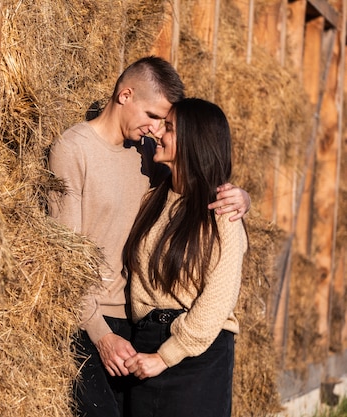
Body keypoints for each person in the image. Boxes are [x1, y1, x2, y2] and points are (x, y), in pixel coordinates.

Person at [47, 56, 251, 417]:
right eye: (155, 117)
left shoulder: (148, 158)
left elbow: (196, 185)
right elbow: (64, 258)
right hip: (97, 323)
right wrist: (100, 333)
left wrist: (241, 199)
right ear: (125, 95)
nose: (157, 130)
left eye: (166, 124)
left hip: (149, 332)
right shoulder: (75, 150)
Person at [122, 97, 248, 417]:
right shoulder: (152, 199)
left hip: (197, 356)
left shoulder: (222, 213)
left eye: (170, 128)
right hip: (146, 342)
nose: (158, 133)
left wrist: (166, 356)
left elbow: (218, 300)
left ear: (194, 140)